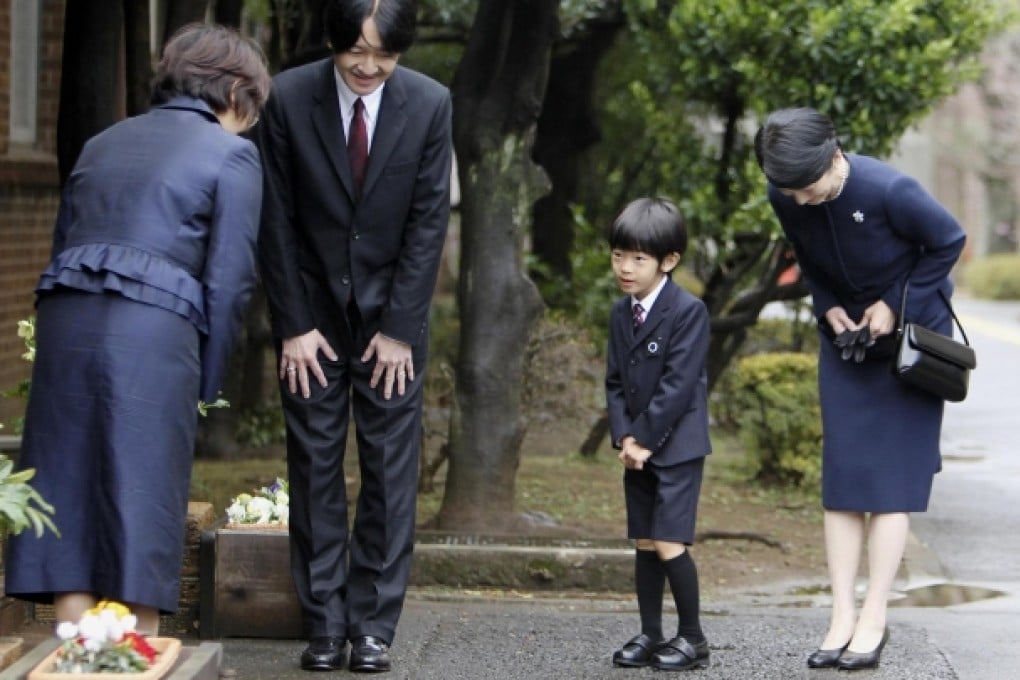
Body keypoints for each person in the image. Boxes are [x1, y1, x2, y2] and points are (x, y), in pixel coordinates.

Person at [4, 23, 270, 635]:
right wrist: (205, 385)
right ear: (234, 92)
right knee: (139, 500)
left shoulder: (102, 143)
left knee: (69, 507)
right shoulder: (232, 154)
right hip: (151, 333)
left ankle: (78, 661)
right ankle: (135, 660)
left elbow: (63, 243)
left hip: (68, 326)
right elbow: (229, 283)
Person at [255, 0, 452, 673]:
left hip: (390, 324)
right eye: (355, 52)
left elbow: (429, 223)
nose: (368, 67)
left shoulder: (430, 104)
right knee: (313, 467)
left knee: (390, 475)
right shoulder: (286, 97)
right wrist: (293, 327)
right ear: (332, 41)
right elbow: (273, 218)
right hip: (310, 320)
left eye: (385, 55)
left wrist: (400, 329)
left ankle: (373, 626)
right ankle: (324, 624)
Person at [754, 107, 966, 671]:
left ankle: (874, 615)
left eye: (809, 187)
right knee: (844, 480)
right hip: (847, 344)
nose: (800, 200)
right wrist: (827, 309)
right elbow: (811, 260)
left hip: (910, 345)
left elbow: (948, 242)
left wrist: (894, 307)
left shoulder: (889, 189)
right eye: (790, 191)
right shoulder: (788, 194)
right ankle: (840, 615)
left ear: (834, 156)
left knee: (892, 482)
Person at [605, 197, 713, 672]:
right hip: (639, 449)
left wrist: (644, 439)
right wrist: (624, 438)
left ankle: (693, 638)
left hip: (677, 446)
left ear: (669, 260)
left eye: (638, 258)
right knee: (645, 540)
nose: (625, 268)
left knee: (670, 540)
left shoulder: (688, 311)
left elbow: (677, 384)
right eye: (618, 256)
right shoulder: (619, 312)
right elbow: (613, 382)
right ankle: (651, 633)